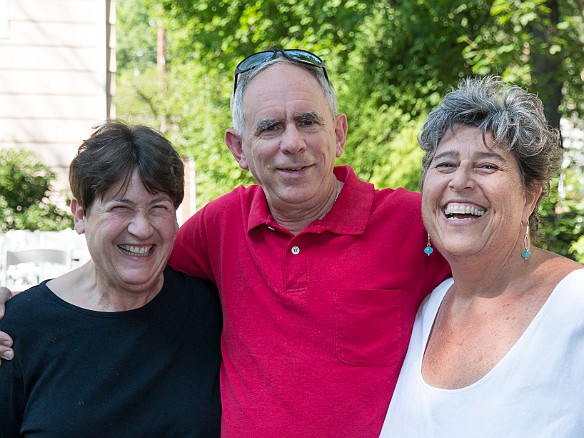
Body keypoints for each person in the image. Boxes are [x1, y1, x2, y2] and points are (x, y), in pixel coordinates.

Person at [0, 50, 451, 437]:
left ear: (338, 134)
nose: (292, 143)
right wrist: (20, 308)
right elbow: (122, 268)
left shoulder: (413, 223)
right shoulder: (221, 226)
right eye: (271, 127)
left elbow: (509, 276)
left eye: (308, 122)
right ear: (239, 149)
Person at [379, 76, 584, 437]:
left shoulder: (575, 306)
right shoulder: (427, 309)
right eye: (444, 165)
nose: (460, 181)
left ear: (529, 198)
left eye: (487, 166)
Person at [0, 120, 222, 436]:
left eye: (158, 207)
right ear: (80, 216)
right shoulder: (19, 330)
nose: (142, 229)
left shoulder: (210, 312)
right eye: (121, 207)